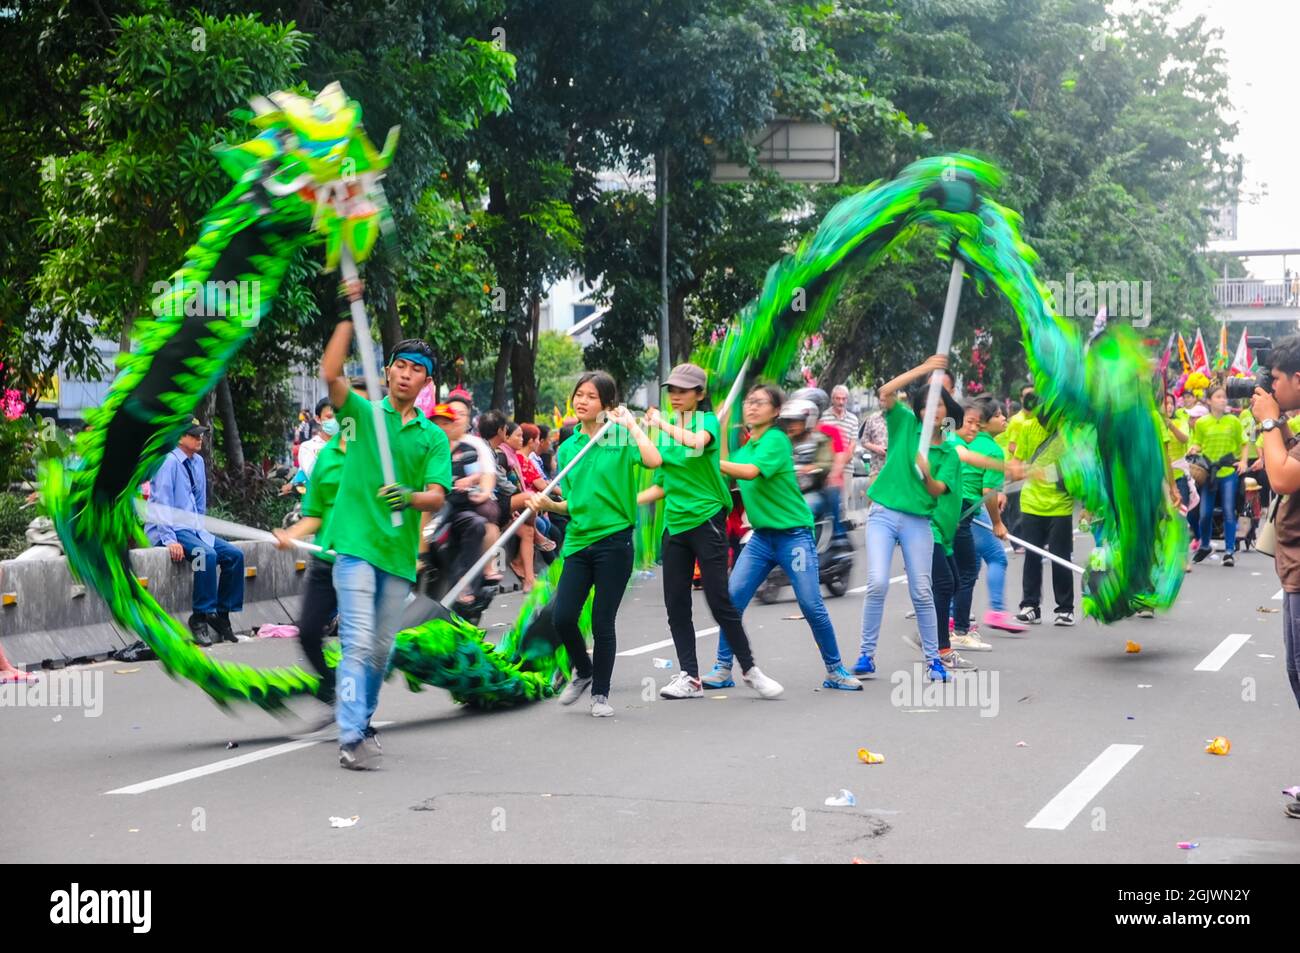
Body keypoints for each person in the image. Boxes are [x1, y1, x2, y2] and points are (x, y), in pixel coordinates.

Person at [320, 281, 452, 770]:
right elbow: (330, 373)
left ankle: (363, 717)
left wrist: (411, 497)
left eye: (417, 370)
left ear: (425, 383)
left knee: (380, 651)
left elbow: (438, 497)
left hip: (397, 557)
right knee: (356, 642)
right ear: (387, 371)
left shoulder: (433, 438)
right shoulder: (359, 414)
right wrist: (346, 317)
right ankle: (350, 735)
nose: (405, 374)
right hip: (354, 546)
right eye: (400, 365)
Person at [637, 363, 784, 700]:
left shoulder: (706, 423)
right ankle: (689, 676)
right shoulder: (669, 429)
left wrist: (658, 422)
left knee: (719, 600)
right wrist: (626, 502)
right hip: (675, 525)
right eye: (672, 390)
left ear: (700, 395)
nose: (675, 396)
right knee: (675, 603)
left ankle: (750, 670)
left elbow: (697, 444)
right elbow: (661, 484)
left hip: (707, 521)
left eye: (683, 390)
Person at [702, 384, 861, 690]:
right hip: (761, 539)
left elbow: (747, 472)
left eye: (759, 402)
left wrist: (713, 460)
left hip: (794, 537)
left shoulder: (776, 441)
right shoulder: (747, 447)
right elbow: (727, 469)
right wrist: (719, 429)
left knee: (811, 604)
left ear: (776, 412)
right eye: (749, 401)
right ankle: (723, 668)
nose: (751, 406)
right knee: (731, 601)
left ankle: (835, 669)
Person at [525, 371, 662, 717]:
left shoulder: (618, 437)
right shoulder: (569, 446)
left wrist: (631, 426)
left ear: (607, 405)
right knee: (564, 617)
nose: (582, 401)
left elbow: (653, 460)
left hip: (614, 542)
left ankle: (600, 694)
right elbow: (571, 502)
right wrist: (548, 506)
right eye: (579, 394)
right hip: (579, 541)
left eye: (591, 396)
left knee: (602, 621)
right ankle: (583, 671)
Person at [1249, 335, 1300, 818]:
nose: (1271, 387)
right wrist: (1274, 424)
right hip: (1294, 572)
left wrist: (1269, 421)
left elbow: (1283, 478)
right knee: (1296, 672)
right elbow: (1274, 466)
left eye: (1277, 380)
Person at [143, 418, 243, 646]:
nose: (200, 439)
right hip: (171, 529)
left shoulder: (197, 461)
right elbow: (162, 504)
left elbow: (200, 502)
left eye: (201, 435)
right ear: (179, 437)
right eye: (194, 435)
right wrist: (169, 539)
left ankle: (221, 615)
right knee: (204, 556)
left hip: (193, 528)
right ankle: (199, 617)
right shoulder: (167, 462)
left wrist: (202, 531)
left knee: (234, 556)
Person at [273, 420, 347, 712]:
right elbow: (314, 513)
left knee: (358, 640)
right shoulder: (327, 455)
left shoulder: (376, 452)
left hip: (361, 560)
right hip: (326, 559)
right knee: (307, 632)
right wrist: (289, 535)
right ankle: (332, 685)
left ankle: (357, 714)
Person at [951, 396, 1027, 644]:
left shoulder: (956, 439)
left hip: (953, 510)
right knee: (995, 557)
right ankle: (993, 611)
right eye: (997, 415)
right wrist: (998, 523)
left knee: (966, 564)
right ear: (983, 423)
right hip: (971, 509)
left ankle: (955, 619)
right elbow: (987, 493)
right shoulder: (992, 449)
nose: (1004, 418)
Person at [1012, 407, 1076, 625]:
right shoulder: (1028, 427)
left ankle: (1065, 608)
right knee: (1032, 555)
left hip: (1061, 504)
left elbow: (1078, 468)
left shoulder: (1070, 432)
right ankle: (1030, 605)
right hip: (1031, 502)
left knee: (1061, 557)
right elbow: (1016, 465)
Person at [1190, 383, 1248, 567]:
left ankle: (1229, 551)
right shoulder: (1201, 423)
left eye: (1224, 397)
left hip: (1228, 471)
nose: (1222, 400)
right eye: (1218, 397)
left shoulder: (1234, 421)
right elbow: (1198, 443)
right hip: (1208, 473)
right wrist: (1194, 448)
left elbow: (1244, 443)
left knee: (1229, 511)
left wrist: (1244, 462)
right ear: (1209, 401)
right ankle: (1205, 545)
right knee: (1205, 513)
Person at [296, 398, 337, 480]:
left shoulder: (350, 445)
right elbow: (315, 476)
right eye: (329, 417)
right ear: (318, 419)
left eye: (338, 417)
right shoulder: (308, 448)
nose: (335, 421)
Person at [859, 407, 888, 486]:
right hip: (877, 469)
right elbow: (864, 441)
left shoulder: (903, 419)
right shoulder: (873, 418)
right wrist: (876, 448)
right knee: (874, 497)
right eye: (882, 400)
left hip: (897, 471)